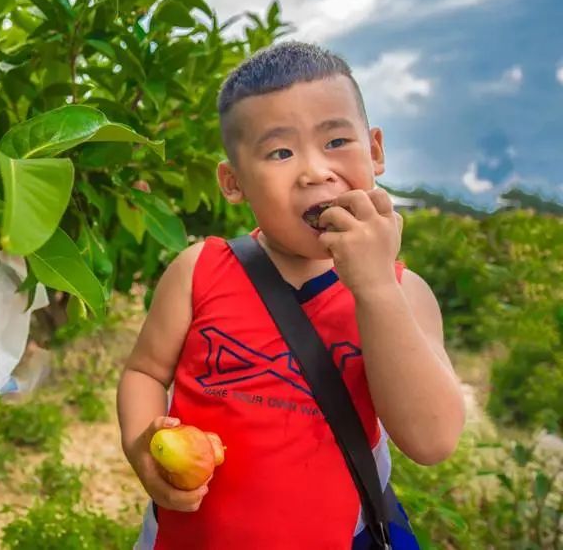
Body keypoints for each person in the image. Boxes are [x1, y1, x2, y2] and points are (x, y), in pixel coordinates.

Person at [117, 41, 466, 549]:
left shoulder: (402, 292)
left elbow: (432, 441)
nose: (314, 171)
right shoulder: (200, 269)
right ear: (233, 182)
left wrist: (372, 288)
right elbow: (145, 371)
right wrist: (141, 445)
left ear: (375, 151)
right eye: (280, 151)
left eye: (336, 141)